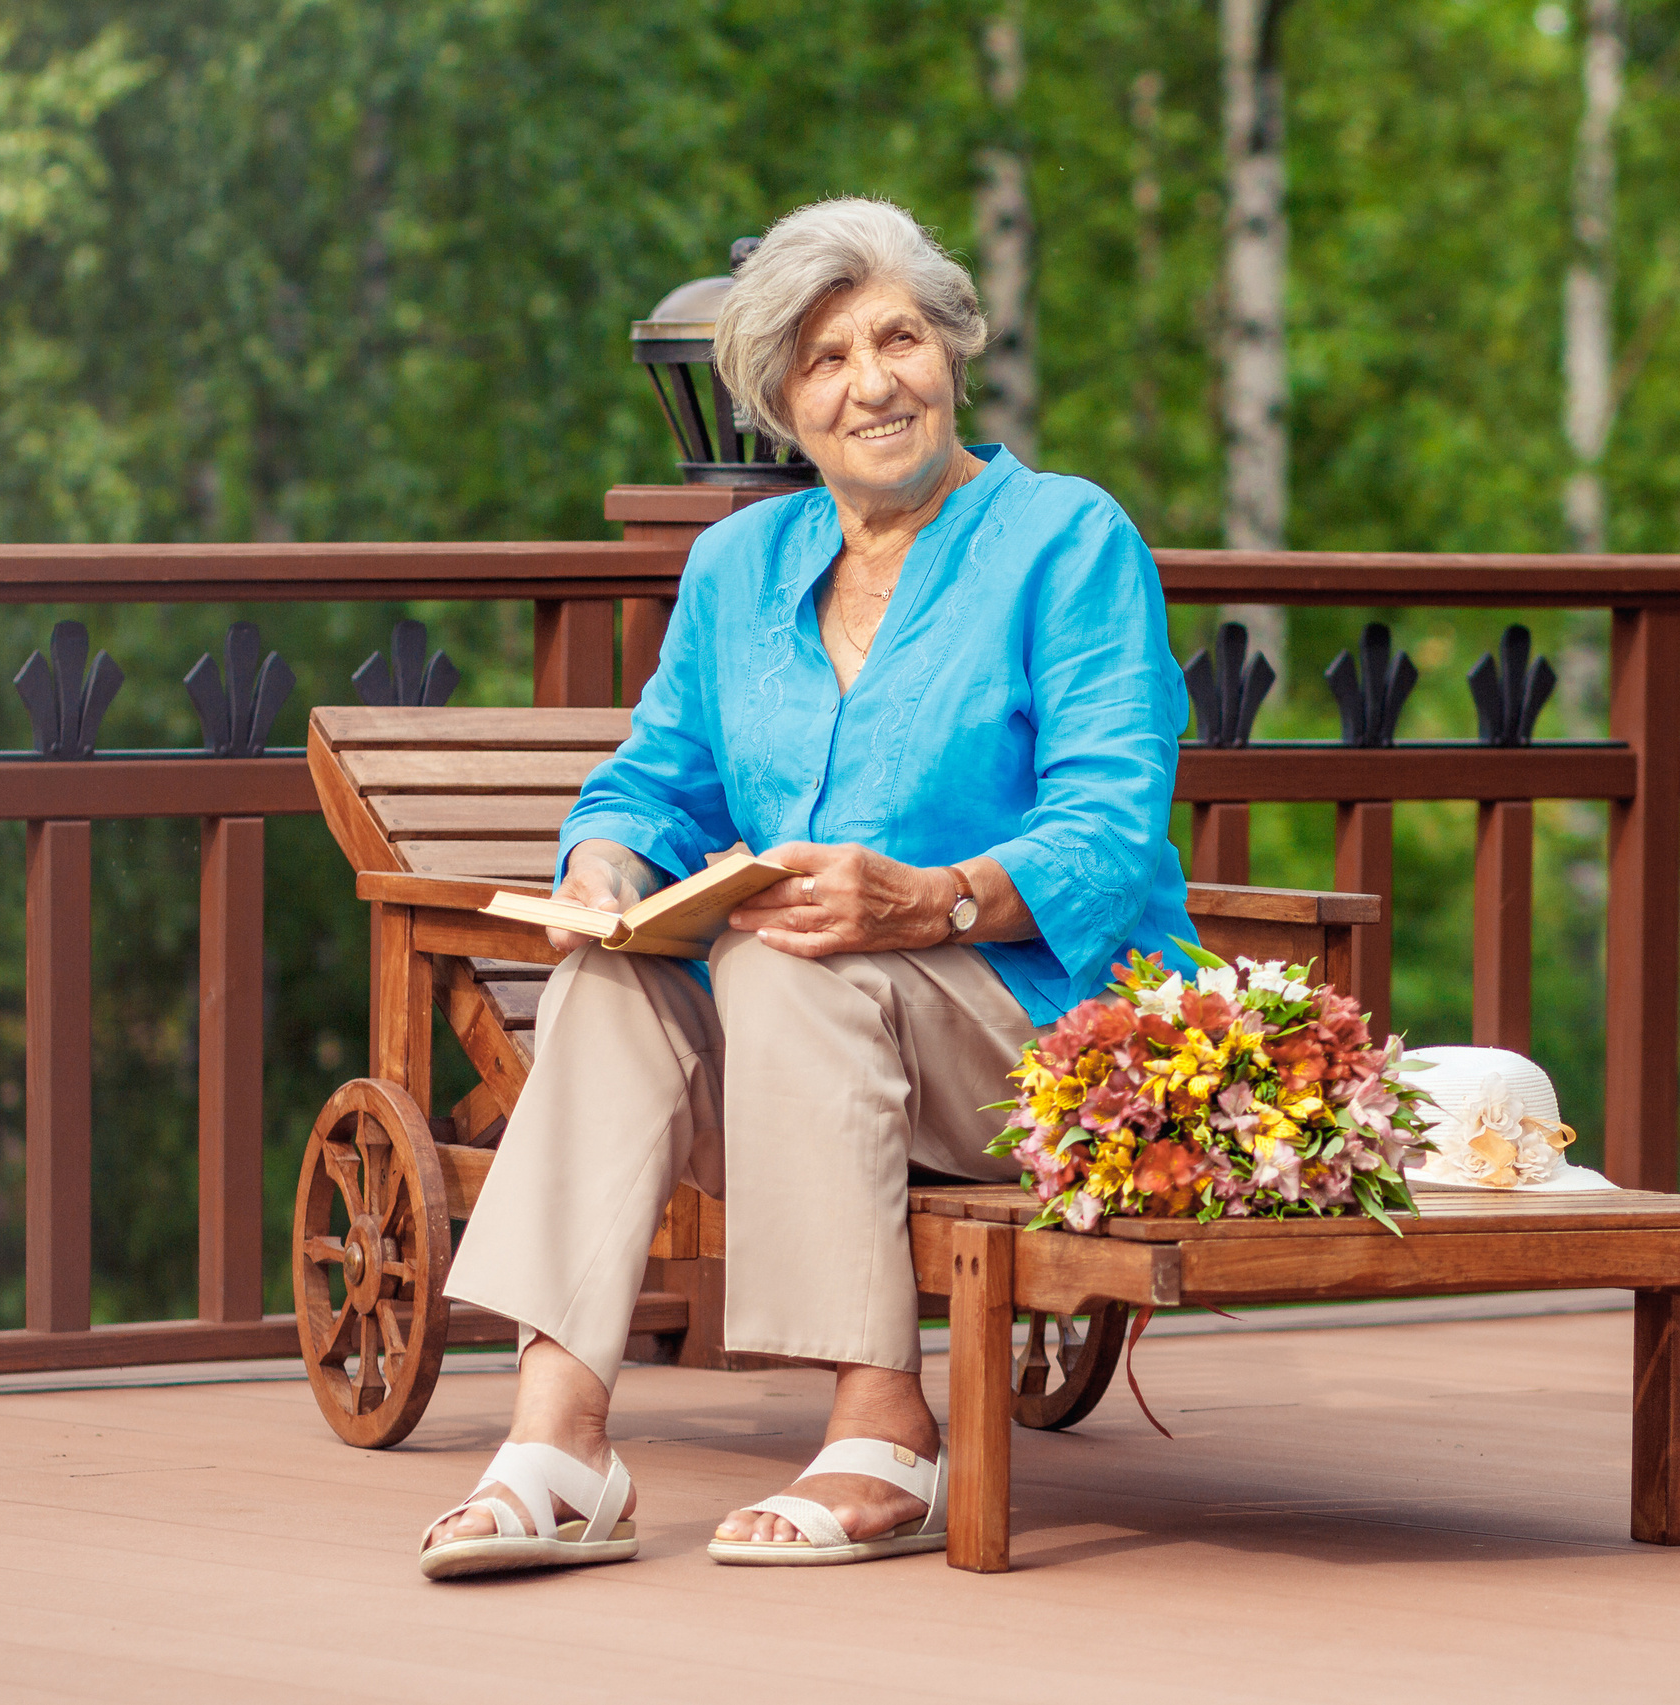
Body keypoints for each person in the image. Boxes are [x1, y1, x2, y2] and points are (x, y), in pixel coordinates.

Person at [417, 196, 1197, 1579]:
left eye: (897, 337)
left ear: (954, 350)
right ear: (783, 401)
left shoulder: (1068, 540)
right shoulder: (736, 569)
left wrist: (934, 898)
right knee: (617, 972)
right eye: (827, 360)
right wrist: (610, 864)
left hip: (1049, 1040)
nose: (871, 381)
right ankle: (560, 1440)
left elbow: (1114, 828)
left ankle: (884, 1425)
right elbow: (654, 784)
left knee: (786, 955)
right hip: (808, 1060)